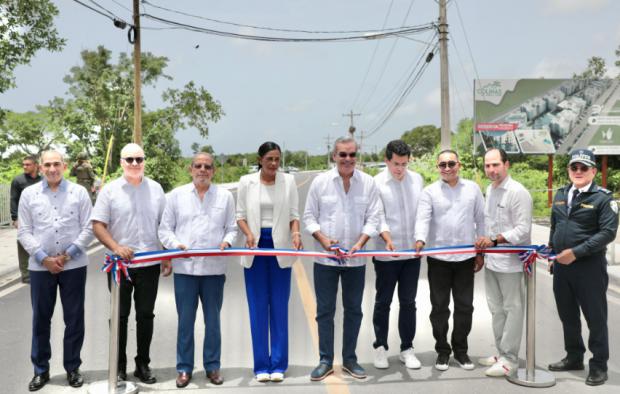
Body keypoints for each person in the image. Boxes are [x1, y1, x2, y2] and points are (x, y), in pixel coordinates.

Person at [91, 143, 171, 384]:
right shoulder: (110, 191)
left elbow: (165, 226)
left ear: (144, 161)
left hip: (149, 264)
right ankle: (118, 366)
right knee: (119, 317)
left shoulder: (156, 189)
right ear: (121, 162)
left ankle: (142, 364)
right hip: (119, 266)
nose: (135, 164)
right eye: (130, 160)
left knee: (146, 315)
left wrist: (166, 255)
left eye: (139, 159)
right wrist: (116, 247)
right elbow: (97, 224)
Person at [303, 136, 381, 381]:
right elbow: (308, 217)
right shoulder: (320, 183)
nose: (347, 159)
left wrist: (360, 243)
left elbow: (374, 218)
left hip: (355, 261)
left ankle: (350, 359)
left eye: (352, 154)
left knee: (354, 310)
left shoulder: (368, 183)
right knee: (324, 311)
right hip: (326, 261)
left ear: (357, 156)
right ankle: (325, 360)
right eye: (342, 154)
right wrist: (324, 240)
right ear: (334, 156)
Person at [158, 152, 237, 388]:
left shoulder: (224, 197)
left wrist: (227, 242)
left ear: (213, 171)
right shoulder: (176, 196)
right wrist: (175, 246)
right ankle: (184, 368)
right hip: (186, 269)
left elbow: (232, 228)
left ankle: (213, 366)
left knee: (213, 322)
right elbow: (165, 230)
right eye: (198, 166)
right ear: (190, 169)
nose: (203, 170)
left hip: (214, 270)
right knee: (185, 322)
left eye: (208, 166)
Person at [17, 151, 93, 391]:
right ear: (40, 168)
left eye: (56, 164)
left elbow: (89, 227)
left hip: (73, 265)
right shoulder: (29, 194)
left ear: (65, 165)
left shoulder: (79, 192)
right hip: (41, 268)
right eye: (47, 164)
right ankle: (41, 370)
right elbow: (24, 231)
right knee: (41, 319)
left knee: (74, 319)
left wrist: (68, 254)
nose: (52, 169)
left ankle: (72, 368)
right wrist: (44, 258)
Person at [547, 149, 618, 386]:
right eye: (574, 167)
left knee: (595, 318)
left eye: (583, 168)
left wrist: (575, 253)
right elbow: (555, 225)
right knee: (568, 315)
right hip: (562, 268)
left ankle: (599, 365)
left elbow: (608, 233)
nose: (578, 172)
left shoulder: (603, 198)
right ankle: (574, 357)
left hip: (589, 268)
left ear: (593, 171)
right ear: (568, 170)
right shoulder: (560, 194)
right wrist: (551, 252)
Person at [236, 141, 302, 383]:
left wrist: (296, 234)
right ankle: (261, 365)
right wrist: (248, 234)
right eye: (269, 159)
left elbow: (294, 215)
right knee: (257, 307)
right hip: (255, 247)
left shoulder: (289, 182)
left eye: (277, 159)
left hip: (280, 248)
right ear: (260, 159)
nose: (274, 164)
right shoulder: (246, 182)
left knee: (279, 306)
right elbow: (240, 215)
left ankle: (279, 364)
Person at [414, 149, 485, 372]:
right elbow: (422, 219)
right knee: (439, 308)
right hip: (439, 259)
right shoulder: (430, 192)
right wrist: (420, 239)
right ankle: (442, 351)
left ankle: (461, 351)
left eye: (451, 164)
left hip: (465, 258)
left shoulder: (472, 189)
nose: (447, 168)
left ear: (459, 165)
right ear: (437, 167)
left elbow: (481, 220)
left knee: (465, 306)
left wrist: (481, 251)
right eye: (442, 165)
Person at [475, 148, 532, 376]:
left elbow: (522, 230)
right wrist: (483, 250)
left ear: (506, 164)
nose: (491, 170)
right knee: (496, 310)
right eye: (487, 165)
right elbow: (489, 224)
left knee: (512, 310)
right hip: (492, 262)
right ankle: (501, 352)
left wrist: (494, 240)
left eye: (495, 165)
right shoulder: (490, 189)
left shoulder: (518, 192)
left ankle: (510, 359)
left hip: (512, 264)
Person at [372, 140, 424, 370]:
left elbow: (422, 214)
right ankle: (380, 347)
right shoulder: (376, 182)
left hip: (412, 254)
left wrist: (420, 237)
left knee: (408, 302)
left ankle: (407, 348)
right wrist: (387, 238)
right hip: (387, 254)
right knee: (383, 302)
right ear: (387, 160)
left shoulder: (417, 180)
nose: (400, 169)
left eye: (404, 164)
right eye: (395, 164)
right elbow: (377, 215)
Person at [10, 155, 41, 283]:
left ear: (36, 166)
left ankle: (40, 269)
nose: (24, 166)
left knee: (39, 242)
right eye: (23, 164)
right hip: (23, 218)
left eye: (28, 164)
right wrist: (15, 217)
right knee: (23, 245)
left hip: (39, 217)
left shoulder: (43, 180)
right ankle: (26, 275)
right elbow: (13, 199)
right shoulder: (18, 180)